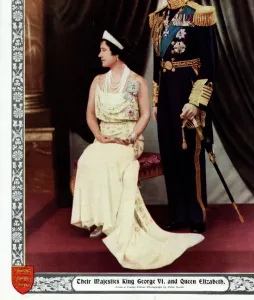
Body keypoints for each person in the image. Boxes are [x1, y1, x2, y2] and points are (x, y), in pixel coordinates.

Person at [71, 30, 204, 270]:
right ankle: (99, 219)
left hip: (129, 138)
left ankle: (113, 221)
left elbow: (145, 115)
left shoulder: (137, 82)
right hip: (104, 136)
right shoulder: (98, 81)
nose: (99, 55)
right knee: (90, 160)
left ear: (116, 52)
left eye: (103, 50)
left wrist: (131, 136)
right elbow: (90, 114)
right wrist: (99, 136)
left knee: (112, 161)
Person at [149, 0, 217, 233]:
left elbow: (208, 65)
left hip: (188, 91)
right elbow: (158, 64)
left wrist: (196, 102)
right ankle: (178, 215)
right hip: (167, 94)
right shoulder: (158, 17)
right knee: (171, 154)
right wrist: (156, 100)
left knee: (192, 156)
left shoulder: (199, 14)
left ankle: (196, 215)